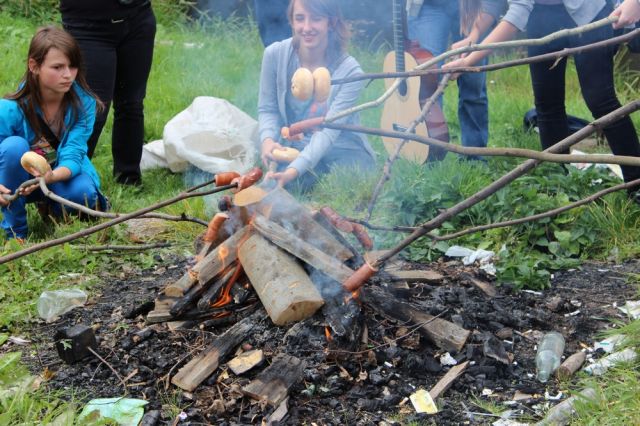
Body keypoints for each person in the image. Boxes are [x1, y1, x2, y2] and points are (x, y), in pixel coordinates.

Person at [443, 0, 640, 192]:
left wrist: (470, 61)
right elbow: (495, 3)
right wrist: (474, 35)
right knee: (547, 103)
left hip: (590, 12)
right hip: (541, 16)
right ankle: (557, 180)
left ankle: (636, 181)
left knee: (600, 100)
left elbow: (517, 14)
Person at [0, 26, 108, 241]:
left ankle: (53, 209)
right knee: (13, 147)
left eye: (73, 66)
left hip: (58, 174)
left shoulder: (84, 104)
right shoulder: (9, 108)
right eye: (58, 67)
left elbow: (74, 153)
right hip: (17, 179)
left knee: (84, 195)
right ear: (34, 65)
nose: (68, 75)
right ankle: (16, 234)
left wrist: (50, 177)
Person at [259, 0, 376, 189]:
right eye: (300, 18)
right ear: (291, 21)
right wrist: (267, 141)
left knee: (340, 178)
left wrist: (292, 171)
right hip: (296, 144)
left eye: (316, 19)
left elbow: (329, 132)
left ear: (331, 22)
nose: (306, 27)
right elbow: (268, 109)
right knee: (283, 183)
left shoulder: (351, 71)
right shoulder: (274, 55)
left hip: (342, 147)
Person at [59, 0, 156, 186]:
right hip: (88, 25)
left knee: (132, 103)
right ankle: (68, 180)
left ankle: (129, 180)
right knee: (92, 108)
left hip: (138, 19)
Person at [406, 0, 507, 159]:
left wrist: (476, 33)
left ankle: (474, 158)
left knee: (473, 85)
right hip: (429, 6)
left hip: (476, 7)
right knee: (426, 82)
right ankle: (428, 156)